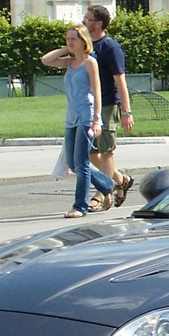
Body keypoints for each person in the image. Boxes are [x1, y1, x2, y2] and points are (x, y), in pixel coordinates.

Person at [41, 25, 116, 219]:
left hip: (86, 116)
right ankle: (107, 185)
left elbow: (97, 91)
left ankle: (80, 206)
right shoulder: (69, 63)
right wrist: (67, 49)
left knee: (81, 163)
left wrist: (97, 120)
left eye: (73, 39)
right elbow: (46, 60)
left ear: (84, 41)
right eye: (67, 39)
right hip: (71, 118)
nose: (70, 42)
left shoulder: (90, 63)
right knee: (73, 165)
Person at [83, 5, 134, 209]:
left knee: (106, 151)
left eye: (87, 19)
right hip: (88, 105)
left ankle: (102, 195)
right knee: (90, 153)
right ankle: (121, 180)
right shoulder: (85, 45)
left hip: (107, 105)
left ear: (99, 23)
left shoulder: (110, 47)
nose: (83, 22)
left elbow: (120, 80)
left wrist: (126, 111)